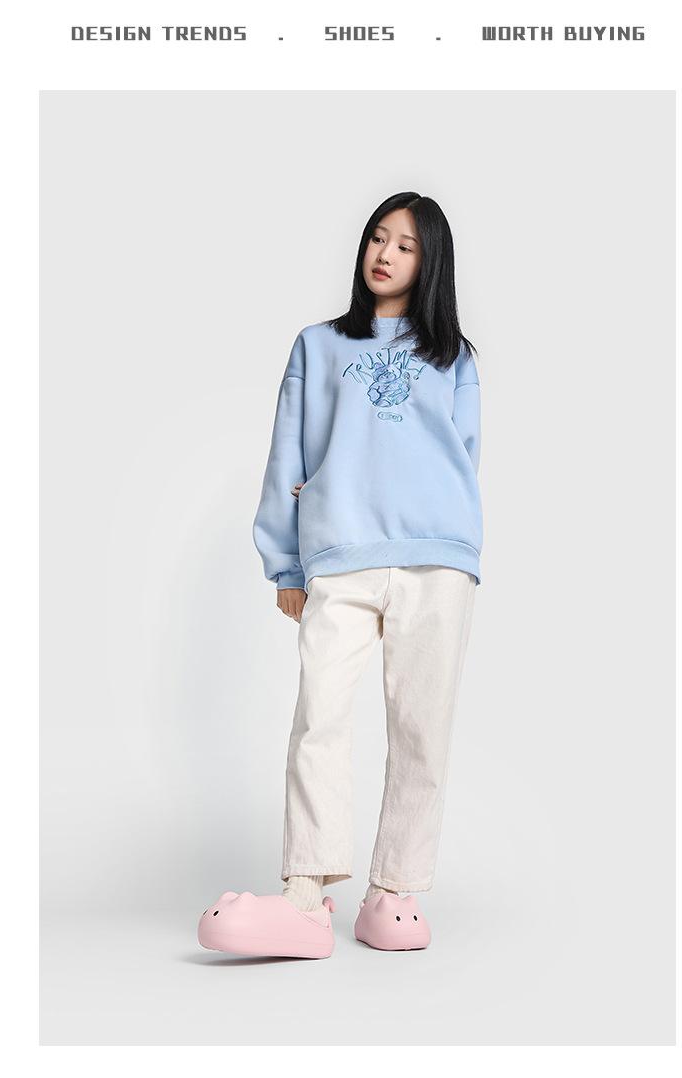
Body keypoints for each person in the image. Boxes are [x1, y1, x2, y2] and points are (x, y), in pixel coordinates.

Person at [198, 191, 482, 958]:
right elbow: (286, 450)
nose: (384, 254)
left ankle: (395, 893)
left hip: (437, 558)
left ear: (431, 262)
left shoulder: (454, 357)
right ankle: (305, 896)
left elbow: (463, 459)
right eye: (377, 238)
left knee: (422, 730)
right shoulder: (318, 346)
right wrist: (285, 562)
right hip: (341, 556)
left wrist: (461, 548)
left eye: (406, 246)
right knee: (318, 718)